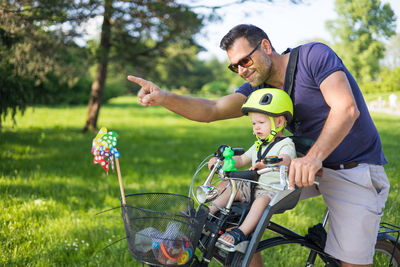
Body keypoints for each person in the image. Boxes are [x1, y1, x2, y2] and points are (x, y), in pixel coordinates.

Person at [128, 24, 390, 267]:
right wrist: (163, 97)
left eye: (245, 60)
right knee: (230, 206)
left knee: (352, 262)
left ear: (265, 46)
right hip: (295, 166)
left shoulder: (314, 56)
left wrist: (313, 158)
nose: (241, 69)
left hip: (352, 169)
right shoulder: (260, 88)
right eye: (234, 67)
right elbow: (212, 108)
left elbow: (346, 108)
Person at [207, 88, 296, 248]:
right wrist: (221, 161)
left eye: (261, 123)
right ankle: (207, 214)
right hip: (252, 186)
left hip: (272, 190)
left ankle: (241, 231)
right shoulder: (258, 145)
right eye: (254, 123)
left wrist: (269, 162)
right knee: (228, 186)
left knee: (261, 201)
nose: (256, 128)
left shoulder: (286, 144)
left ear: (280, 122)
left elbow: (286, 159)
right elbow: (241, 159)